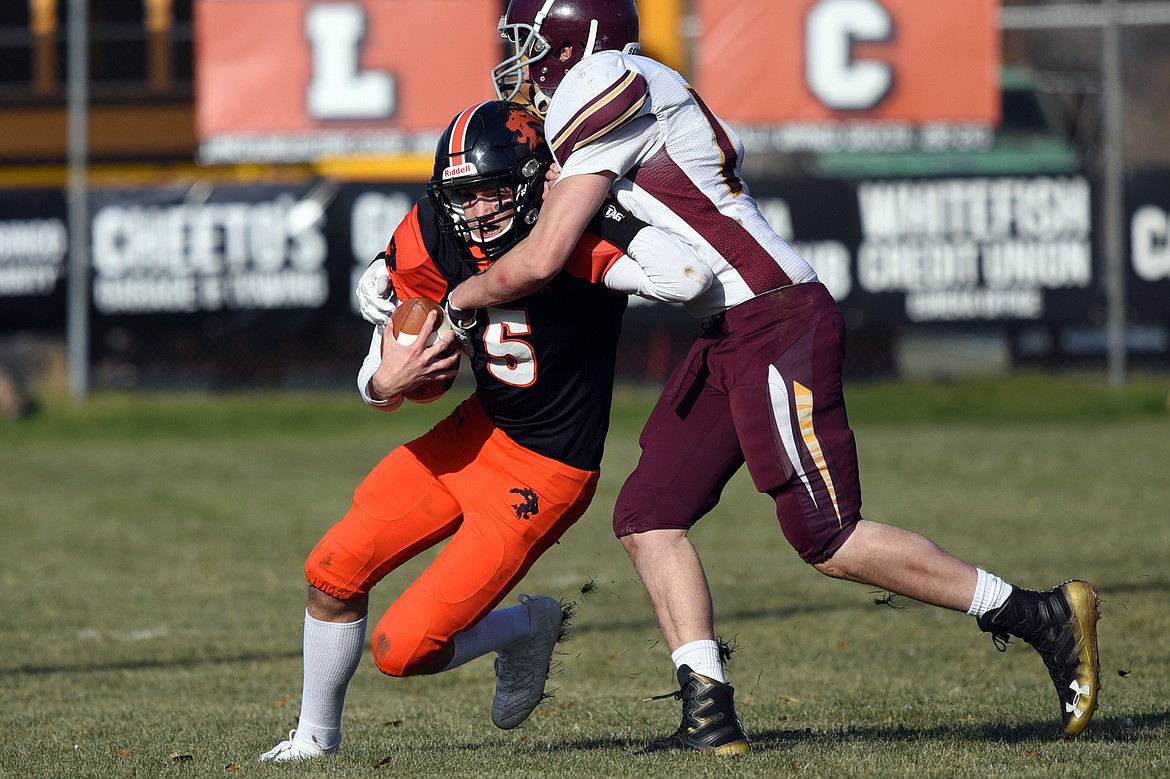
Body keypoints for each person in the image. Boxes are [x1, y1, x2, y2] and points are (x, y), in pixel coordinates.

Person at [439, 0, 1102, 755]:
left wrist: (455, 301)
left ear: (575, 40)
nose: (522, 65)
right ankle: (708, 713)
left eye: (530, 45)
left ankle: (1037, 612)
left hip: (777, 318)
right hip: (729, 329)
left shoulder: (604, 75)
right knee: (649, 514)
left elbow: (545, 254)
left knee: (829, 535)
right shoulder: (624, 91)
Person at [261, 99, 712, 762]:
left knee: (402, 648)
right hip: (476, 432)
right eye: (461, 196)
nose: (474, 213)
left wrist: (606, 209)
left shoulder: (577, 237)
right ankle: (314, 740)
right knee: (331, 570)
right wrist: (385, 381)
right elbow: (379, 371)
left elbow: (686, 276)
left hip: (547, 471)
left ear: (537, 184)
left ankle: (527, 626)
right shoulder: (437, 233)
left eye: (492, 192)